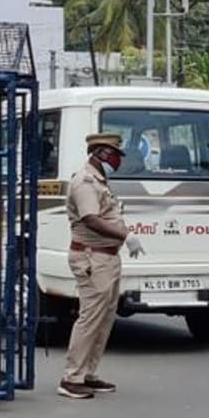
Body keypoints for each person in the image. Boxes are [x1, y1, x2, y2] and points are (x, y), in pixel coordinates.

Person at [58, 133, 147, 399]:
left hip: (105, 257)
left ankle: (87, 373)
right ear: (101, 154)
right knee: (90, 318)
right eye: (115, 155)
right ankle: (71, 377)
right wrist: (125, 235)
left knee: (104, 318)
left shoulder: (99, 180)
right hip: (92, 258)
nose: (118, 161)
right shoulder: (85, 181)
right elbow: (90, 219)